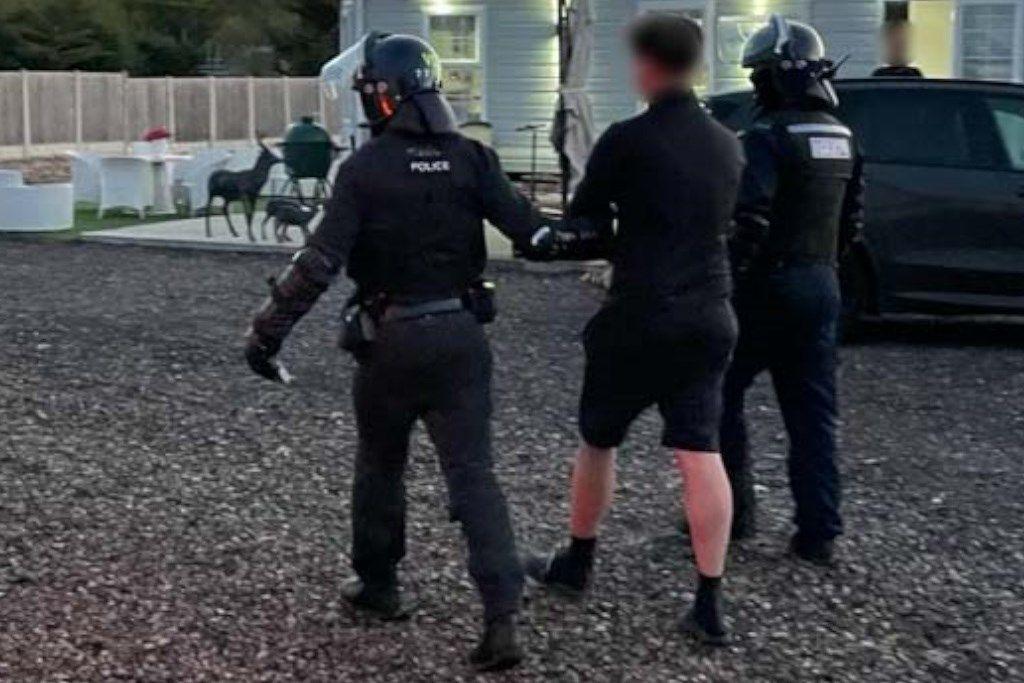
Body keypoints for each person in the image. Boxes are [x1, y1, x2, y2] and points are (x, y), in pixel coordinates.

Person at [244, 32, 557, 672]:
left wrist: (267, 334)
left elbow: (319, 263)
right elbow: (539, 234)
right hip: (461, 337)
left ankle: (380, 587)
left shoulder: (364, 170)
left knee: (381, 466)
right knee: (474, 474)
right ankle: (502, 614)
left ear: (384, 97)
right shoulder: (471, 157)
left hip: (389, 341)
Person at [523, 13, 745, 646]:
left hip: (641, 314)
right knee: (701, 451)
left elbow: (585, 223)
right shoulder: (729, 144)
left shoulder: (627, 139)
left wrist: (554, 239)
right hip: (709, 313)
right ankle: (708, 602)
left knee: (598, 438)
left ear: (647, 65)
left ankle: (578, 562)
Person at [720, 16, 865, 566]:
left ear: (775, 78)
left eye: (758, 75)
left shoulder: (766, 138)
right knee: (812, 414)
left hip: (766, 288)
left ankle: (732, 515)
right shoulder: (843, 137)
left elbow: (749, 220)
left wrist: (728, 280)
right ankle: (818, 531)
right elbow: (853, 225)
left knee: (722, 398)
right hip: (821, 282)